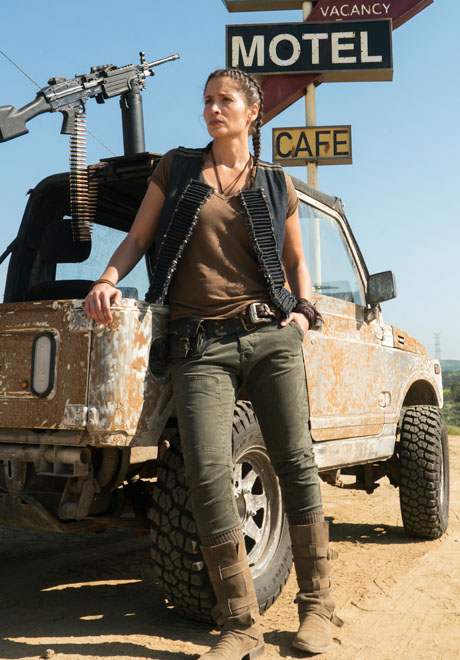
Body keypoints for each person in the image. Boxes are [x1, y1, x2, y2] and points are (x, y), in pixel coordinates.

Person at [84, 68, 335, 660]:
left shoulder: (275, 183)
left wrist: (303, 316)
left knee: (296, 462)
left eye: (225, 100)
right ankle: (240, 625)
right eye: (206, 101)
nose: (212, 109)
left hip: (269, 335)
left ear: (252, 111)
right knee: (205, 473)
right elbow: (138, 237)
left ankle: (319, 607)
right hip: (199, 344)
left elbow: (297, 263)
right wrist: (107, 278)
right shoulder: (175, 169)